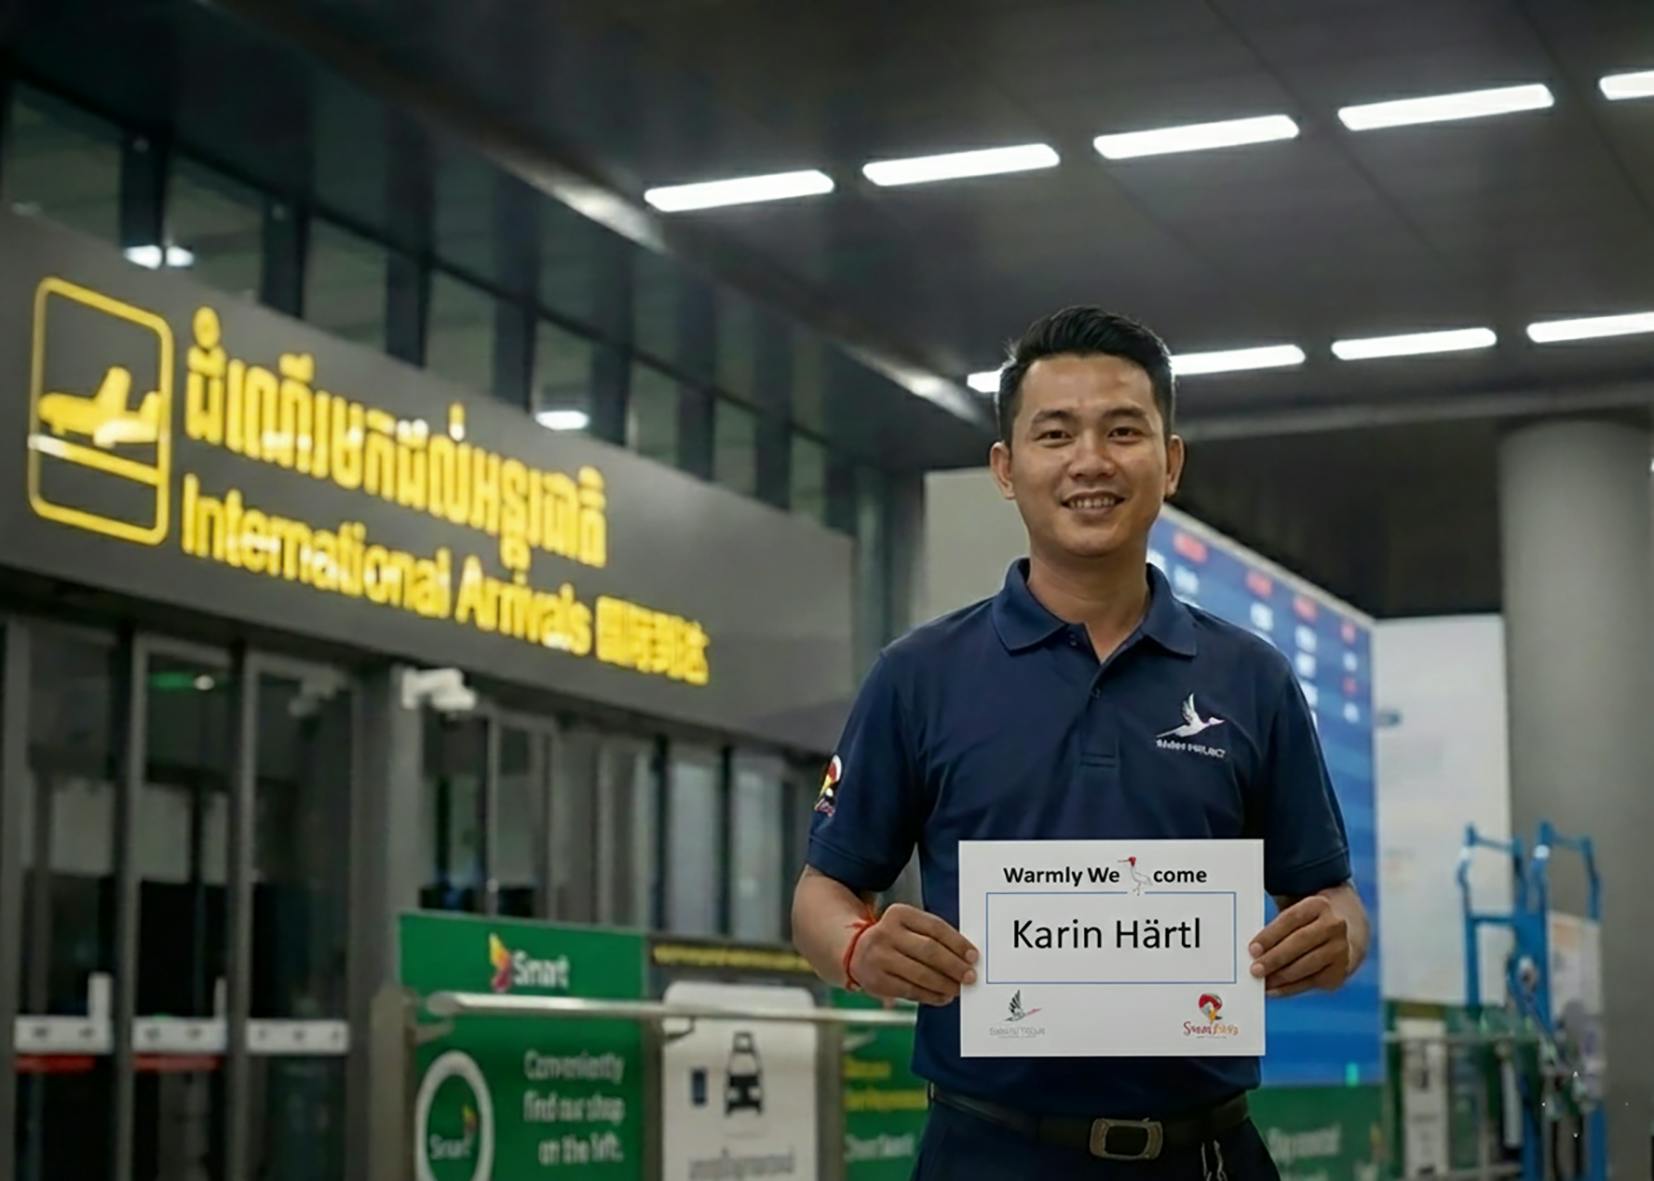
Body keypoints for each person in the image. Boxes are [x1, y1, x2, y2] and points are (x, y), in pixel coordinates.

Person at [792, 307, 1369, 1179]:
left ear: (1170, 463)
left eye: (1123, 431)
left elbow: (1332, 896)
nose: (1090, 460)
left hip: (1205, 1153)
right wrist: (858, 947)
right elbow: (823, 890)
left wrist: (1337, 938)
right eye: (1055, 433)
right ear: (1006, 467)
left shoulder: (1252, 678)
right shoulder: (919, 675)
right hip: (988, 1152)